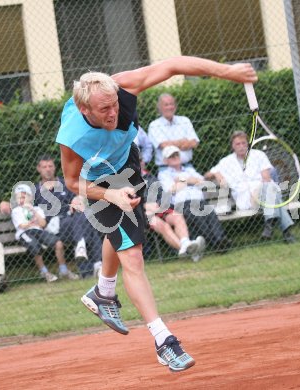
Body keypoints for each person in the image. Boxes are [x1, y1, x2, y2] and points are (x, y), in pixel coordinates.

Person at [56, 56, 257, 372]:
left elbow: (174, 64)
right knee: (134, 256)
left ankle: (103, 292)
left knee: (124, 238)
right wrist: (110, 194)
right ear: (86, 111)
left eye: (114, 104)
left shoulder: (122, 86)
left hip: (128, 164)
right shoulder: (73, 135)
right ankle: (164, 340)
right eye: (104, 109)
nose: (113, 112)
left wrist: (227, 71)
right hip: (95, 182)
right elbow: (71, 181)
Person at [205, 131, 295, 243]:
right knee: (273, 194)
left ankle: (271, 227)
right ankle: (279, 228)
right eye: (238, 144)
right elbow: (207, 175)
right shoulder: (226, 162)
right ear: (233, 146)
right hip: (246, 200)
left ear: (248, 143)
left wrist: (262, 189)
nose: (241, 146)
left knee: (269, 188)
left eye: (243, 143)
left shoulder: (258, 155)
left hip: (263, 193)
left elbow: (266, 177)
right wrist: (216, 173)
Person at [35, 155, 103, 277]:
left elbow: (78, 196)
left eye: (50, 166)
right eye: (44, 167)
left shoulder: (64, 183)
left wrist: (77, 198)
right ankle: (97, 265)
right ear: (38, 169)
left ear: (55, 167)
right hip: (54, 227)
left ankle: (87, 269)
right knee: (87, 224)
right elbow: (23, 203)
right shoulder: (35, 190)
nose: (48, 169)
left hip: (72, 223)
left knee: (82, 215)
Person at [158, 145, 230, 251]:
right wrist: (189, 180)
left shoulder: (189, 169)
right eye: (171, 156)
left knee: (210, 213)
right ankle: (216, 243)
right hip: (183, 205)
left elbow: (203, 183)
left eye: (176, 154)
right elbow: (171, 190)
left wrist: (182, 181)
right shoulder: (164, 174)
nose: (175, 157)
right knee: (199, 217)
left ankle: (220, 239)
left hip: (200, 201)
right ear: (165, 160)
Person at [10, 184, 79, 282]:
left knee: (58, 243)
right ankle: (45, 272)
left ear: (30, 198)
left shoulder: (37, 209)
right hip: (25, 233)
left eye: (24, 197)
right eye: (19, 197)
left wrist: (32, 210)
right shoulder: (16, 211)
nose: (21, 200)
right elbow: (22, 226)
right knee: (35, 247)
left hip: (39, 231)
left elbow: (42, 224)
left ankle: (63, 270)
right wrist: (31, 223)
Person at [140, 158, 206, 261]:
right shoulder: (127, 179)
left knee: (177, 217)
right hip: (141, 213)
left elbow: (162, 194)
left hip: (159, 207)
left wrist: (158, 203)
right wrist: (144, 205)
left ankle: (186, 244)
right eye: (136, 160)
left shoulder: (150, 176)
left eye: (141, 160)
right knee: (163, 226)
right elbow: (125, 200)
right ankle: (190, 251)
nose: (140, 163)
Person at [148, 93, 199, 169]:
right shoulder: (154, 125)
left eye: (172, 104)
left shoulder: (184, 120)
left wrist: (171, 144)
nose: (170, 107)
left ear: (175, 106)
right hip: (166, 169)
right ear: (160, 108)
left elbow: (195, 142)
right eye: (166, 105)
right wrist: (183, 141)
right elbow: (164, 146)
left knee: (200, 181)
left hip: (188, 167)